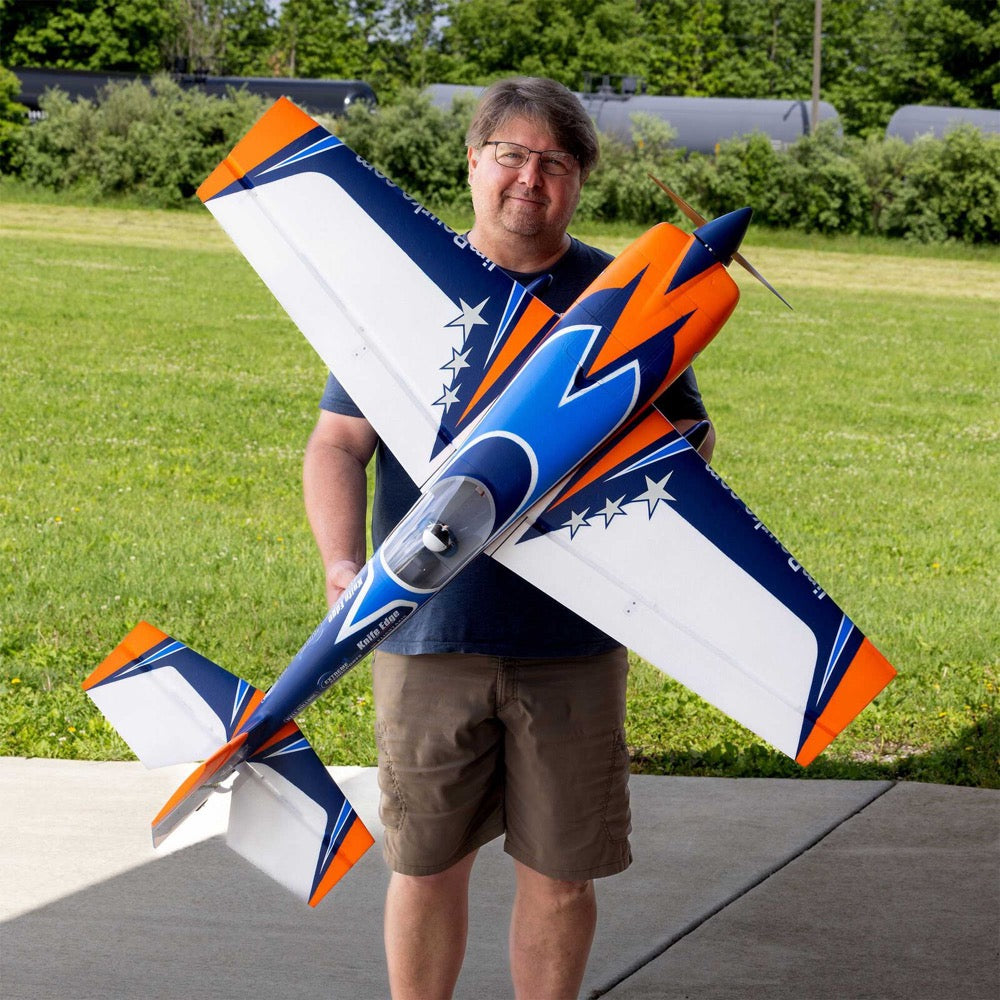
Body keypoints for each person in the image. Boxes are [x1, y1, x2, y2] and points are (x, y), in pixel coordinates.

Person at [303, 76, 714, 1000]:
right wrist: (340, 563)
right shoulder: (414, 288)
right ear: (473, 162)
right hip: (426, 630)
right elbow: (336, 444)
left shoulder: (626, 296)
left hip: (572, 638)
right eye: (513, 156)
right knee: (425, 869)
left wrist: (667, 451)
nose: (532, 178)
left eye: (556, 163)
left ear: (580, 181)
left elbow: (689, 439)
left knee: (562, 878)